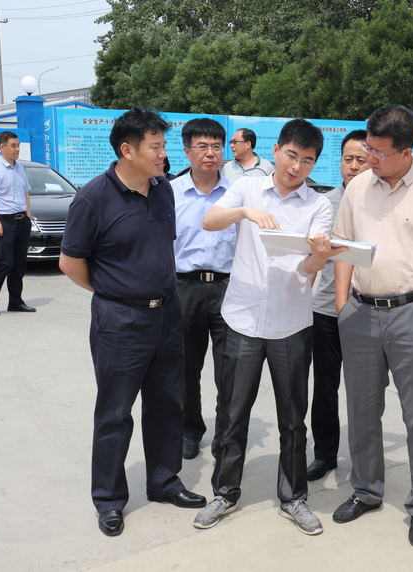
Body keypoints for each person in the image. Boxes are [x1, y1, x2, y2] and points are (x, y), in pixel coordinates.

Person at [59, 108, 207, 537]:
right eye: (155, 147)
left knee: (167, 405)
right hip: (120, 321)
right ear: (127, 150)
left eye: (163, 146)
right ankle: (109, 499)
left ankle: (163, 481)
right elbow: (70, 263)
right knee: (115, 413)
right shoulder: (93, 198)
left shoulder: (163, 190)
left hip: (168, 313)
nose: (163, 155)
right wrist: (114, 293)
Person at [193, 118, 345, 536]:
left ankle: (293, 498)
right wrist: (245, 212)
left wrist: (320, 254)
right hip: (242, 318)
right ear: (277, 151)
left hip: (291, 323)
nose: (297, 167)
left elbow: (310, 268)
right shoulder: (248, 188)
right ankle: (225, 492)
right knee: (233, 412)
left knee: (293, 418)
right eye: (292, 156)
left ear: (314, 164)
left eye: (307, 161)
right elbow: (210, 221)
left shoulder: (318, 205)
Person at [331, 104, 413, 548]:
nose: (368, 159)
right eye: (367, 149)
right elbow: (343, 246)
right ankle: (366, 490)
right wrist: (342, 305)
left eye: (379, 152)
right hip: (360, 313)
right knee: (362, 410)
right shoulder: (358, 188)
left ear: (406, 152)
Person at [306, 129, 369, 482]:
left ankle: (364, 459)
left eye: (361, 159)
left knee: (365, 391)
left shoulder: (380, 203)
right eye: (348, 159)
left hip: (367, 310)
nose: (354, 166)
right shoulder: (323, 203)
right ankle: (324, 454)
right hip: (326, 312)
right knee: (325, 388)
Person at [170, 118, 234, 460]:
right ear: (187, 151)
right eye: (202, 146)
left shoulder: (237, 193)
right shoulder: (171, 193)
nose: (210, 153)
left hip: (228, 287)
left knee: (230, 368)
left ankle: (226, 434)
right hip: (185, 287)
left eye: (216, 146)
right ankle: (189, 429)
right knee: (185, 367)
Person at [0, 131, 36, 316]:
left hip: (21, 221)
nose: (17, 149)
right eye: (13, 146)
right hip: (4, 220)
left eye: (18, 145)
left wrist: (28, 216)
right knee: (5, 262)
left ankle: (16, 301)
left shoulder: (19, 168)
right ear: (2, 147)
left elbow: (26, 193)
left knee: (19, 264)